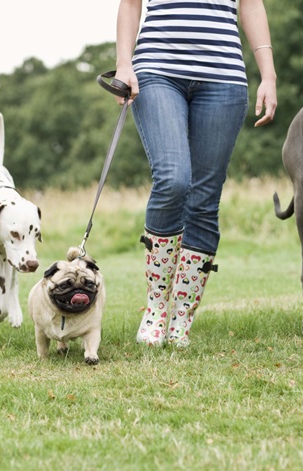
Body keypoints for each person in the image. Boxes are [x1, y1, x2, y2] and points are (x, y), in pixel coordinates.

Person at [115, 0, 277, 347]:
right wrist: (123, 64)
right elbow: (130, 4)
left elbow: (251, 6)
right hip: (157, 70)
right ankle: (157, 307)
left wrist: (269, 75)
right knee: (173, 178)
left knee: (204, 199)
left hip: (223, 79)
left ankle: (182, 315)